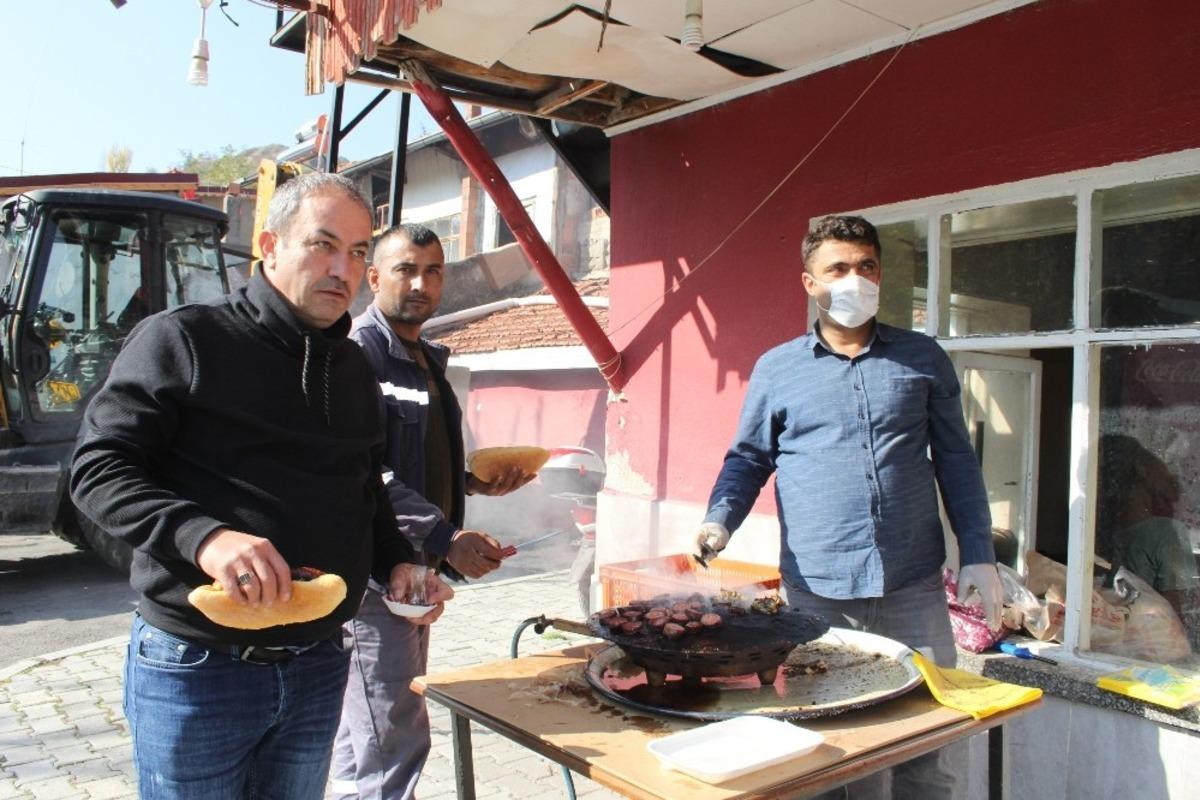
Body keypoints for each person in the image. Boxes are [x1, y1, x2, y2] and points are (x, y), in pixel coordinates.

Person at [69, 173, 452, 800]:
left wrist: (396, 564)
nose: (342, 269)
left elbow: (364, 488)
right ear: (270, 246)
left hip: (319, 660)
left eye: (357, 251)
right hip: (199, 667)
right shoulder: (186, 338)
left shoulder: (353, 368)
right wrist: (206, 539)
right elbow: (98, 468)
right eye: (323, 245)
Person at [695, 215, 1003, 799]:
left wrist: (978, 552)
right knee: (828, 746)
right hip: (818, 591)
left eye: (866, 267)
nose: (854, 280)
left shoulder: (922, 357)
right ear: (809, 282)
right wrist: (720, 518)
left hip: (912, 585)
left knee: (927, 741)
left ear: (880, 275)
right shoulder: (777, 369)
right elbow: (748, 459)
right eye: (837, 268)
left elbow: (957, 459)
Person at [331, 223, 530, 800]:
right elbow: (367, 473)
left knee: (364, 732)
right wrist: (446, 536)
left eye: (433, 271)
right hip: (376, 576)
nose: (421, 284)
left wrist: (471, 483)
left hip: (415, 573)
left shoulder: (422, 358)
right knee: (392, 732)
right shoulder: (361, 356)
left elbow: (412, 458)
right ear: (374, 278)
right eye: (406, 270)